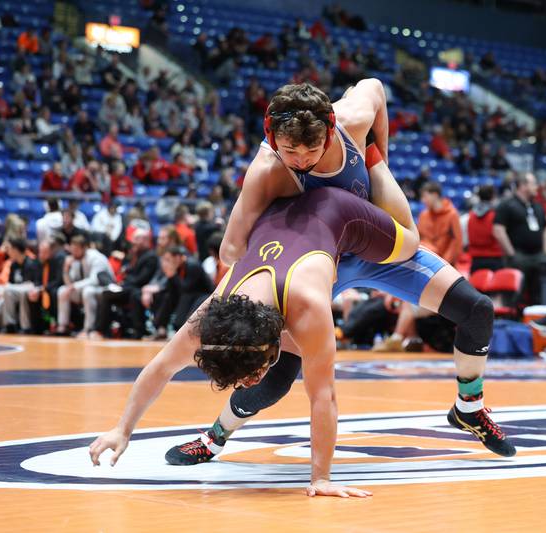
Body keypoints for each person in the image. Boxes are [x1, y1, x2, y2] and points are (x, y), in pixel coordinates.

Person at [167, 81, 515, 463]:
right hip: (315, 265)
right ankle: (215, 435)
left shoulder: (352, 118)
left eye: (311, 150)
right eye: (291, 152)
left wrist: (380, 155)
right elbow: (232, 249)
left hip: (373, 245)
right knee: (277, 377)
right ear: (273, 140)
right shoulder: (266, 169)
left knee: (477, 309)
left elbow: (376, 89)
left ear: (330, 131)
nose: (301, 161)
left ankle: (468, 407)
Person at [88, 187, 419, 498]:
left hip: (345, 220)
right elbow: (161, 368)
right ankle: (215, 436)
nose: (248, 380)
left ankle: (374, 156)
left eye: (253, 371)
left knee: (420, 254)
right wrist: (122, 429)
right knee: (273, 386)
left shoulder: (306, 305)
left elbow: (323, 395)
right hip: (299, 268)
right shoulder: (210, 317)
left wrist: (321, 477)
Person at [493, 172, 546, 304]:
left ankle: (535, 323)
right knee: (516, 296)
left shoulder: (538, 206)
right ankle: (514, 323)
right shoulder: (507, 205)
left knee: (537, 295)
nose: (537, 187)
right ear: (523, 186)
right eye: (533, 183)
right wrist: (512, 254)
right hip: (519, 256)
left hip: (538, 256)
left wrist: (545, 252)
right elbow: (498, 230)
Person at [417, 181, 462, 266]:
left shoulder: (452, 214)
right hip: (427, 264)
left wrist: (444, 263)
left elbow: (456, 242)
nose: (422, 200)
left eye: (425, 196)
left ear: (435, 195)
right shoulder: (423, 215)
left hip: (446, 265)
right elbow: (419, 239)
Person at [467, 185, 503, 272]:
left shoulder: (471, 215)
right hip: (494, 259)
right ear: (493, 196)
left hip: (476, 260)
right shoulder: (495, 215)